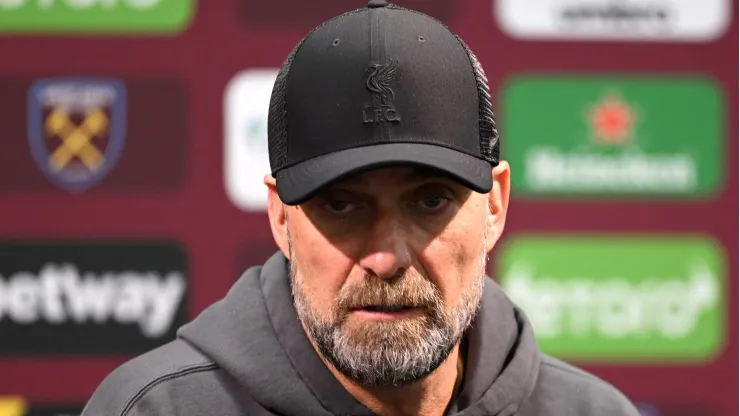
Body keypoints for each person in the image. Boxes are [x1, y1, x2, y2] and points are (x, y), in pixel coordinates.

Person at [82, 1, 640, 415]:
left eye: (429, 200)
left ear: (494, 206)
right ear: (281, 217)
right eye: (343, 204)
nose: (385, 256)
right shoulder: (154, 410)